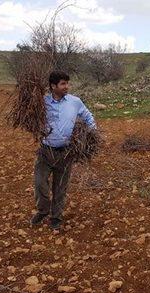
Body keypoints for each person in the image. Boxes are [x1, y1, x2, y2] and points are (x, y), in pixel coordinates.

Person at [30, 71, 97, 231]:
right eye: (63, 84)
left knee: (60, 188)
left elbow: (88, 116)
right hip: (45, 151)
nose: (67, 87)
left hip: (66, 152)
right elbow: (31, 117)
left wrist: (92, 132)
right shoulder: (42, 102)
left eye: (67, 83)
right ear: (53, 86)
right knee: (40, 184)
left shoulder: (75, 102)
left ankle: (56, 217)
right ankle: (43, 210)